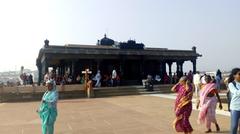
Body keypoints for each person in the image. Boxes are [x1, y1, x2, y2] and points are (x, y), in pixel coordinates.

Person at [228, 68, 240, 134]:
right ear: (234, 75)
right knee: (234, 126)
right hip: (235, 107)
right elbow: (236, 92)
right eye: (239, 74)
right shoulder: (231, 84)